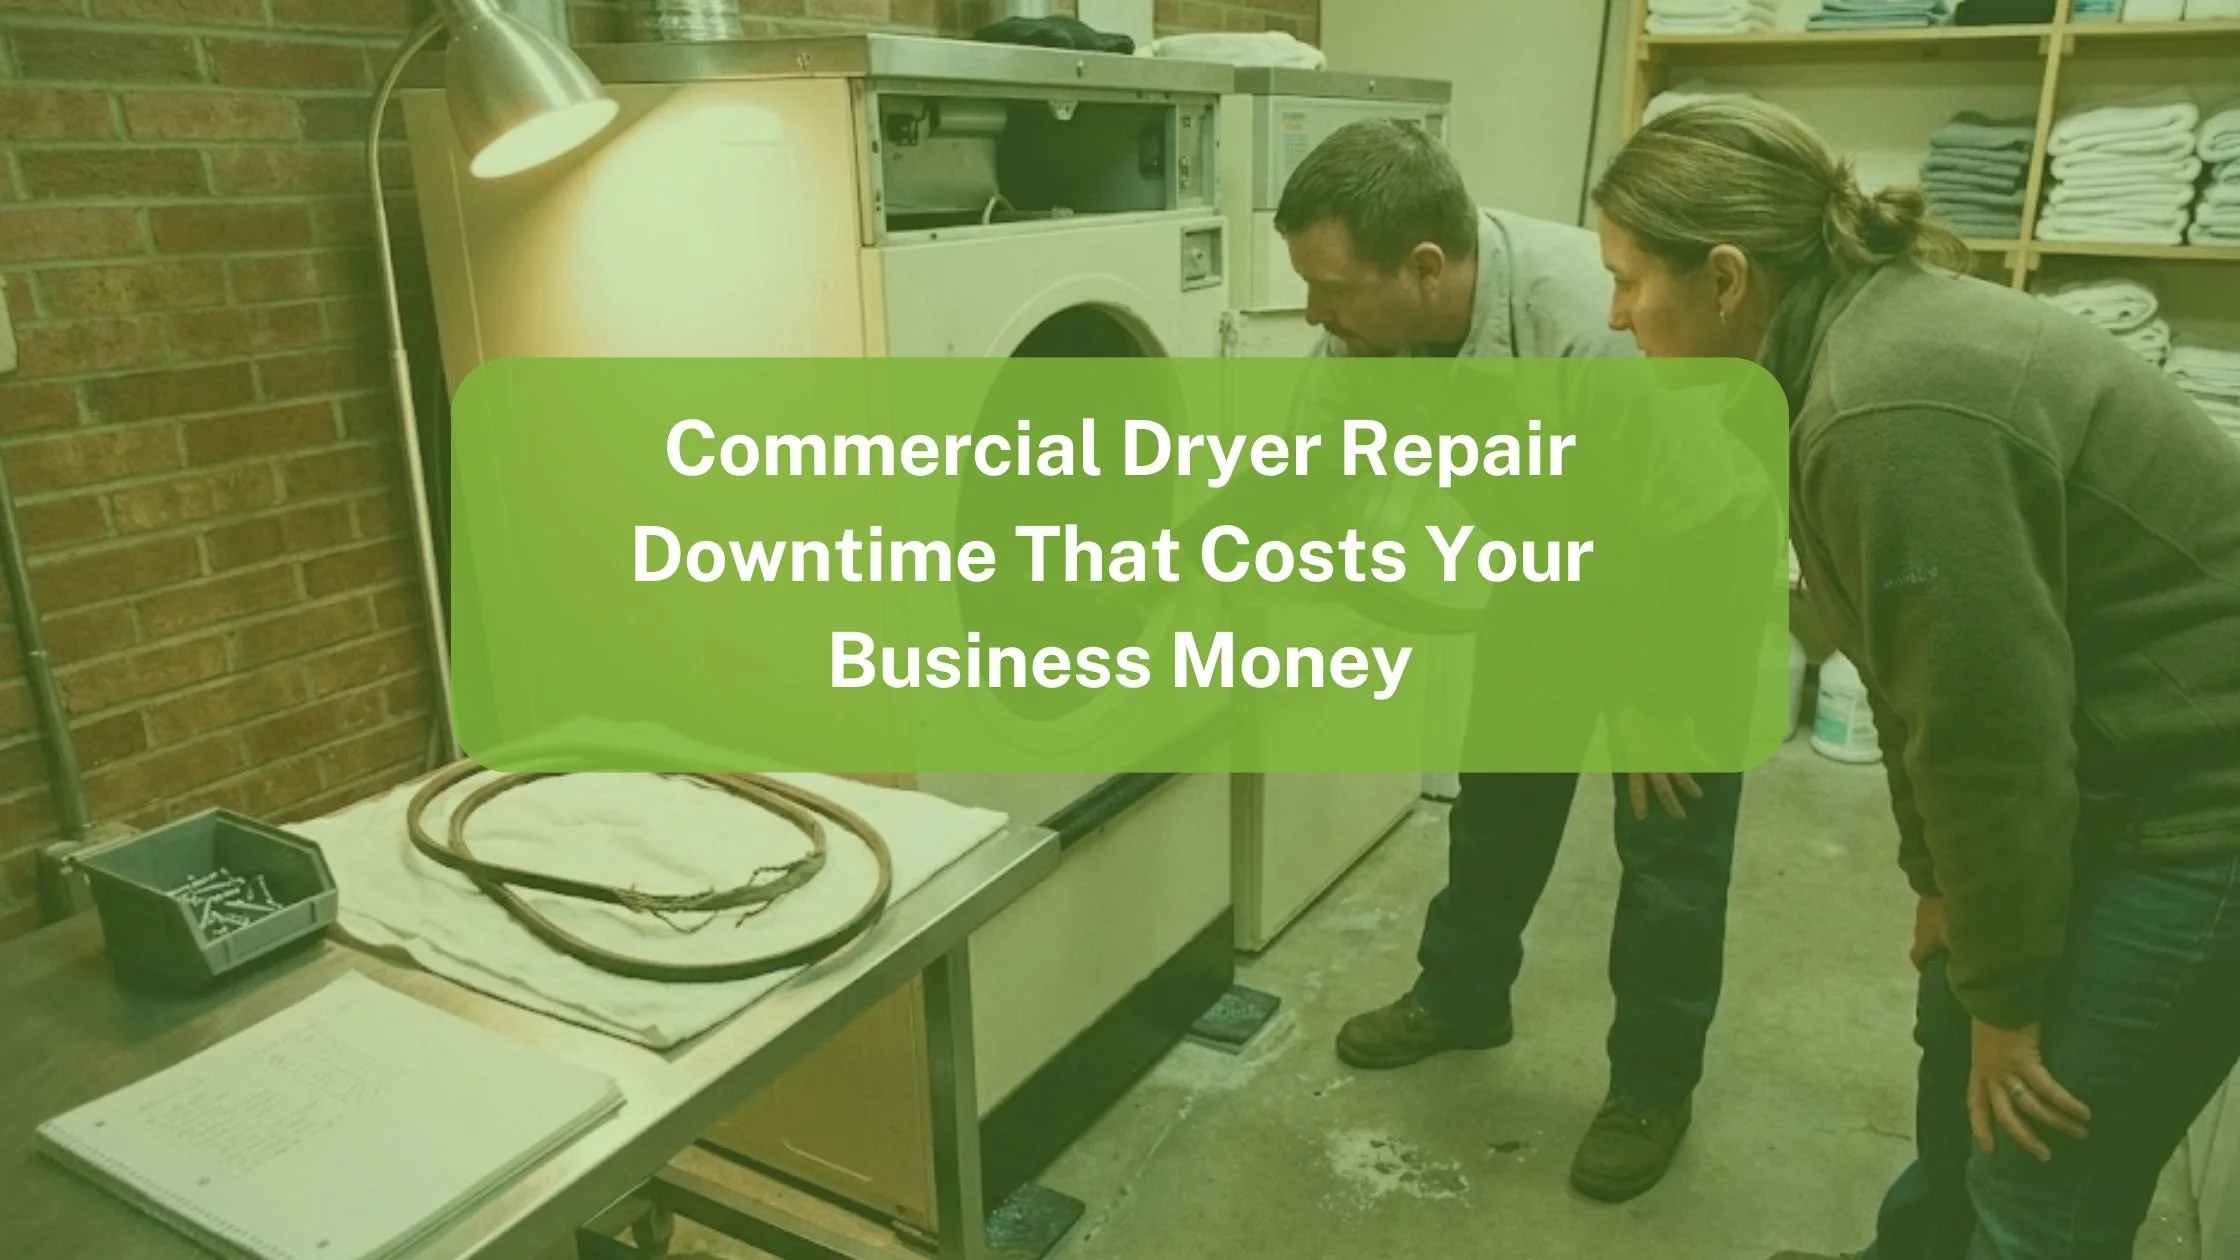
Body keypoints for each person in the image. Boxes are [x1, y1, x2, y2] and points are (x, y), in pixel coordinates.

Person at [1589, 96, 2240, 1259]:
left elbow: (1989, 734)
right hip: (2102, 769)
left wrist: (2007, 997)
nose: (1614, 311)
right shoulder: (1827, 358)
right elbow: (1910, 679)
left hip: (2195, 808)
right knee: (1958, 1065)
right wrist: (1939, 883)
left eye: (1630, 279)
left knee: (2038, 1176)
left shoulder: (1881, 406)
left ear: (1725, 277)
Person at [1274, 117, 1754, 1204]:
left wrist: (1651, 697)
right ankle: (1461, 994)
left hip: (1690, 575)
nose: (1312, 310)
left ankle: (1650, 1085)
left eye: (1330, 286)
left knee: (1668, 846)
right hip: (1551, 569)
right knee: (1499, 798)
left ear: (1425, 268)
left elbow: (1693, 531)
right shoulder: (1367, 335)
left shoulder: (1591, 326)